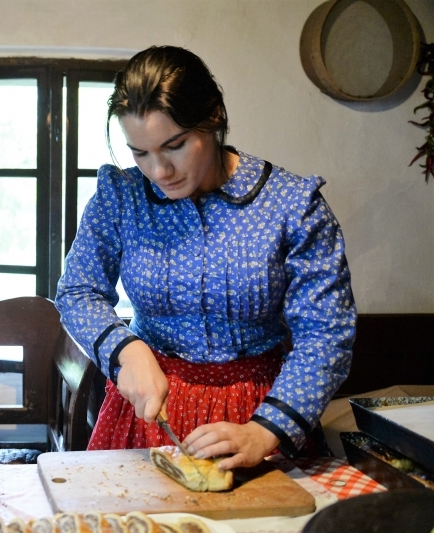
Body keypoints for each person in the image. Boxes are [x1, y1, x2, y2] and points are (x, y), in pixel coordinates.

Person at [55, 46, 356, 471]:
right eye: (140, 153)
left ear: (213, 116)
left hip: (257, 413)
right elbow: (77, 291)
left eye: (174, 146)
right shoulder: (120, 197)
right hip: (148, 411)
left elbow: (326, 332)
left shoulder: (291, 205)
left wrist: (265, 431)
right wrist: (125, 350)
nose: (159, 171)